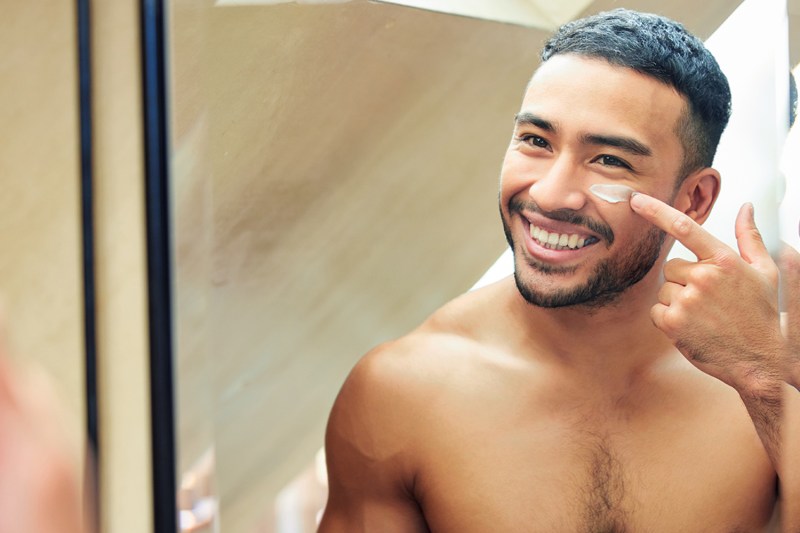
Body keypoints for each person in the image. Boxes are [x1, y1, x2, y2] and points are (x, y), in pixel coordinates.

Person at [319, 9, 795, 531]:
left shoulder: (766, 377)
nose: (548, 194)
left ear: (694, 198)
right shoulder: (400, 393)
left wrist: (765, 385)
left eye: (609, 159)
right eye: (536, 141)